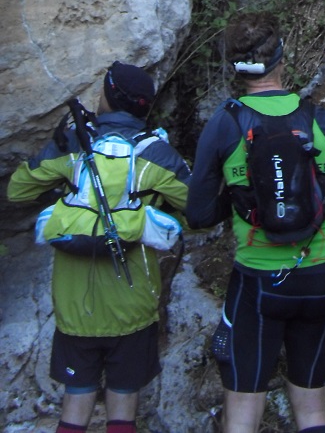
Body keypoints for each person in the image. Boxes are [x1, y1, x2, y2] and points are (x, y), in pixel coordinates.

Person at [186, 11, 325, 433]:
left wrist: (241, 203)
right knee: (312, 411)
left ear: (234, 67)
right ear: (281, 59)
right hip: (321, 277)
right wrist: (319, 217)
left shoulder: (225, 122)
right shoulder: (320, 119)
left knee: (243, 411)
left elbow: (197, 214)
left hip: (258, 279)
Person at [7, 62, 190, 433]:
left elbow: (18, 190)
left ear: (107, 96)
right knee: (123, 406)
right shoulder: (158, 155)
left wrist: (61, 169)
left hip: (75, 308)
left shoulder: (73, 145)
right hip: (134, 305)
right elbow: (200, 208)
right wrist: (156, 210)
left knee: (76, 402)